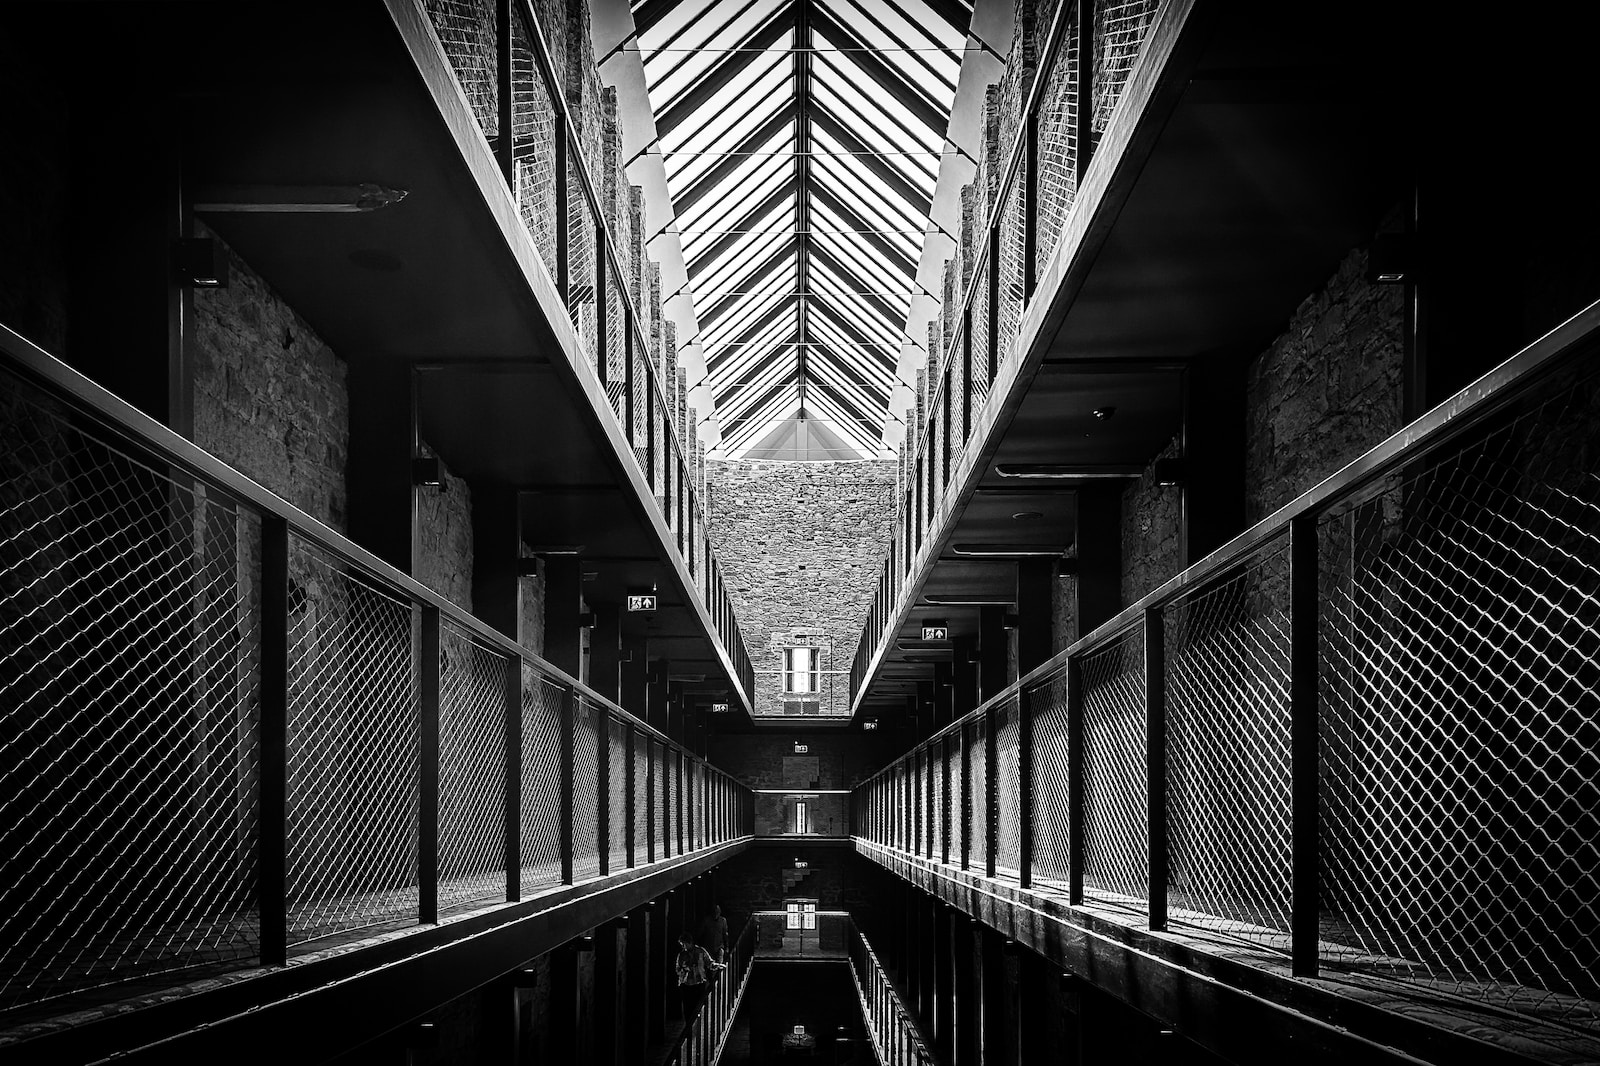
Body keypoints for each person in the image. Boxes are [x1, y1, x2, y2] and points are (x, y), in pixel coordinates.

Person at [674, 931, 723, 1024]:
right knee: (687, 1009)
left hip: (699, 983)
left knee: (698, 1007)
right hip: (686, 984)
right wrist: (684, 970)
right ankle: (688, 1028)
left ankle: (698, 1027)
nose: (683, 947)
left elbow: (710, 963)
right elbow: (677, 968)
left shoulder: (701, 951)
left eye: (684, 944)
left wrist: (718, 966)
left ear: (689, 942)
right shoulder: (682, 955)